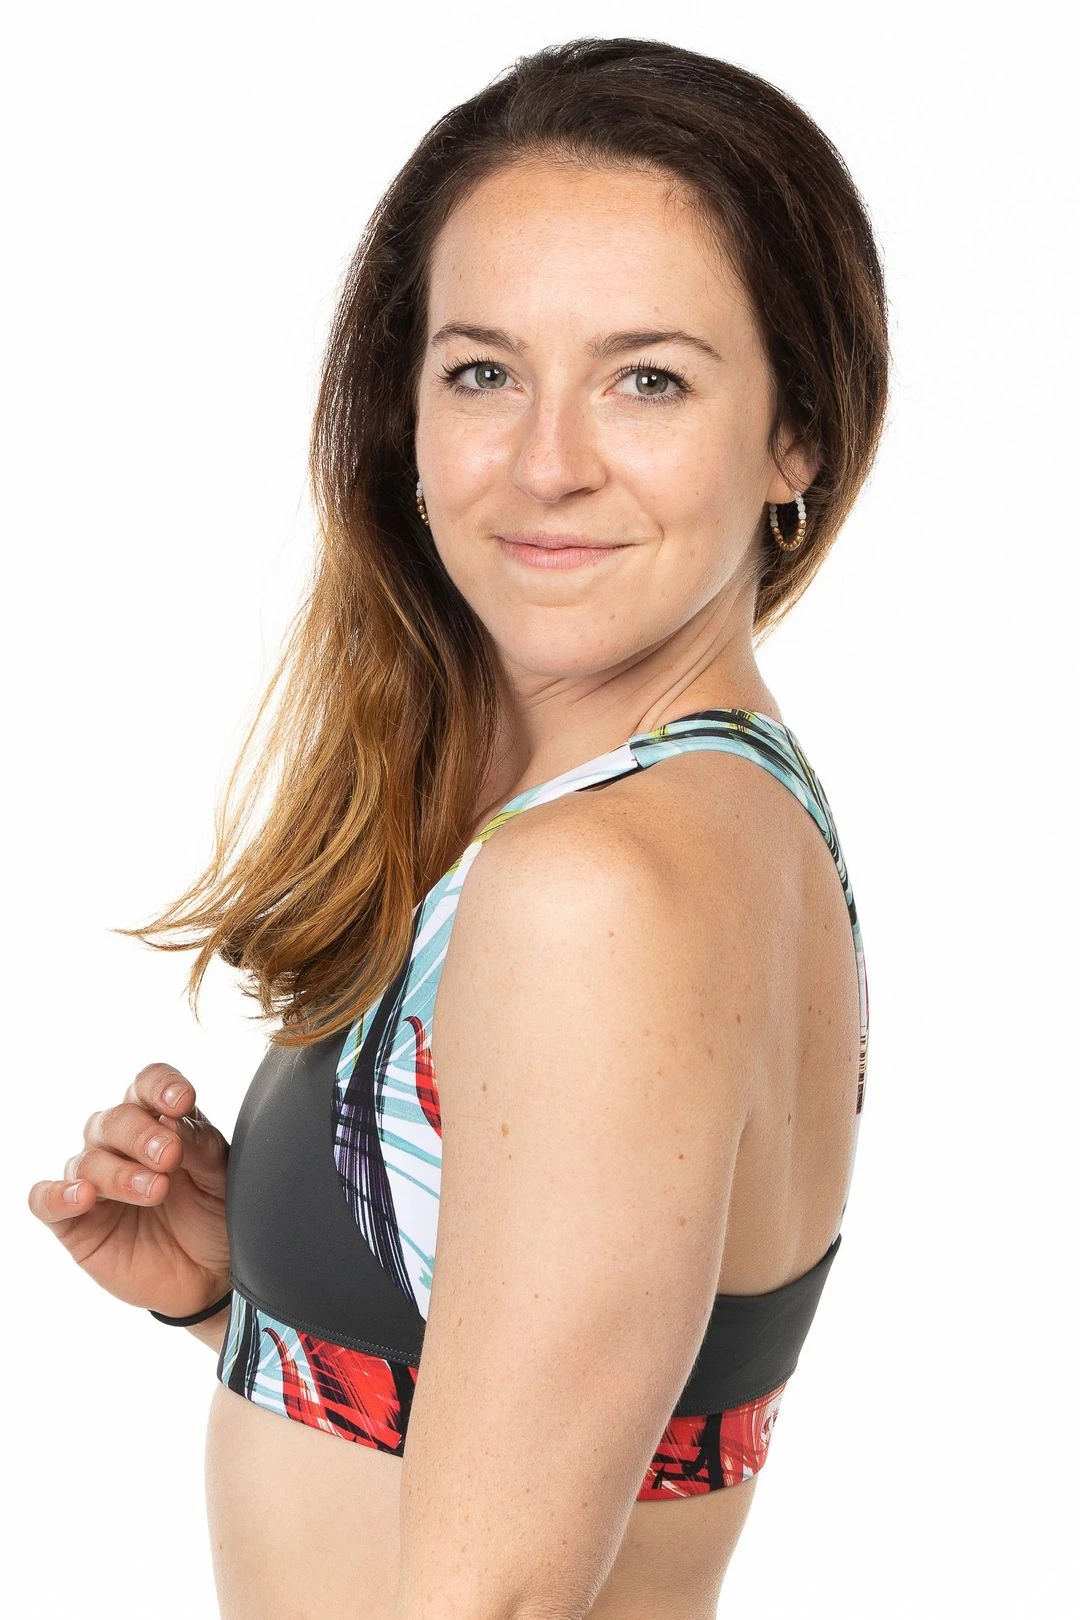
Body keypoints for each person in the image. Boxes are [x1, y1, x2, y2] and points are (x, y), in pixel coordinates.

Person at [27, 36, 888, 1620]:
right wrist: (256, 1299)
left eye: (647, 378)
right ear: (405, 410)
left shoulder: (597, 886)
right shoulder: (707, 815)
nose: (546, 465)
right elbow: (568, 1453)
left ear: (798, 438)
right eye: (484, 372)